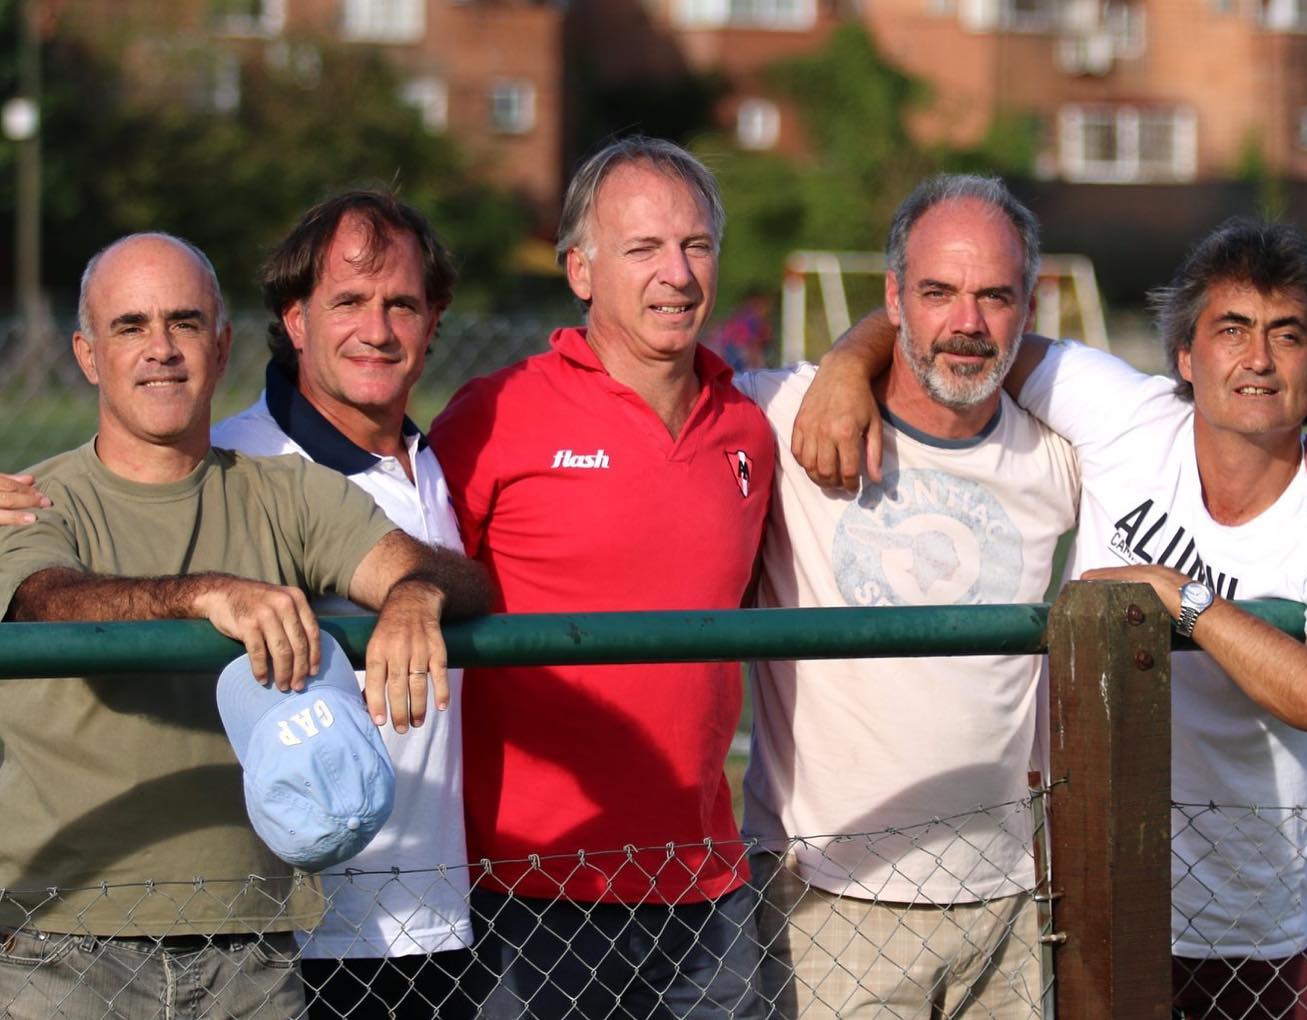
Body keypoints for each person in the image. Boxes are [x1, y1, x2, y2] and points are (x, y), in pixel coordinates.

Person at [792, 218, 1307, 1018]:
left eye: (1286, 336)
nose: (1258, 358)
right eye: (1231, 330)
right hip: (1088, 919)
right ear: (1185, 359)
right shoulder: (1124, 414)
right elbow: (960, 330)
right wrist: (850, 362)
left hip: (1251, 941)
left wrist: (1178, 599)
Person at [0, 233, 491, 1019]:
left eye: (185, 323)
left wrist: (412, 597)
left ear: (222, 345)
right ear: (87, 355)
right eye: (130, 327)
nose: (161, 349)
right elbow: (47, 601)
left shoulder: (287, 493)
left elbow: (445, 573)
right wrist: (205, 596)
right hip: (64, 945)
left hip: (251, 950)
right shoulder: (34, 498)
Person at [427, 136, 774, 1018]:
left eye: (696, 246)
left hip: (705, 889)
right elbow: (407, 577)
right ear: (581, 269)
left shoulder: (749, 427)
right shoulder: (496, 414)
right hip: (527, 889)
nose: (679, 274)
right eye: (644, 248)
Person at [735, 174, 1077, 1018]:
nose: (967, 323)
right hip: (828, 905)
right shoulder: (786, 417)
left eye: (994, 296)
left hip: (1008, 902)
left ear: (1027, 307)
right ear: (893, 297)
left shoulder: (1060, 458)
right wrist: (849, 362)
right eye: (937, 293)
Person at [209, 189, 476, 1019]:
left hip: (437, 919)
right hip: (295, 939)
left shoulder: (432, 460)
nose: (379, 327)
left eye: (403, 303)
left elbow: (471, 580)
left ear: (432, 322)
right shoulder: (236, 464)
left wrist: (416, 589)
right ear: (296, 320)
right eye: (349, 302)